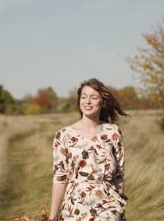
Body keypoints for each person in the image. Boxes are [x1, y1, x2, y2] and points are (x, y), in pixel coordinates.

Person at [49, 78, 130, 221]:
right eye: (84, 97)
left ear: (102, 102)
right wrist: (53, 217)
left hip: (108, 203)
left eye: (93, 97)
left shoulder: (113, 132)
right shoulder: (64, 135)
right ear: (79, 100)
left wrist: (120, 206)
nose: (88, 101)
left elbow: (118, 175)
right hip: (75, 205)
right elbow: (60, 178)